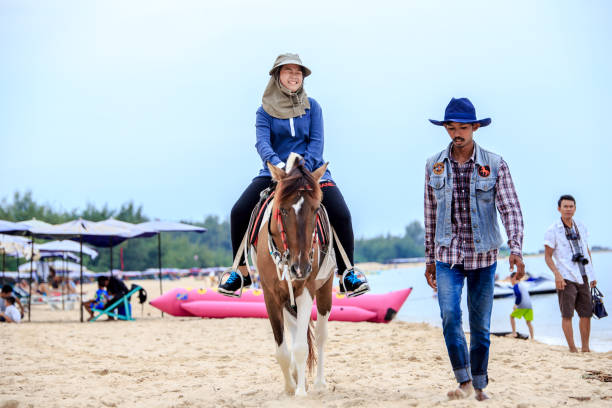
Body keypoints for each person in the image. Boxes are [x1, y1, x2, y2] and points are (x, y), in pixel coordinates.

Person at [218, 53, 369, 297]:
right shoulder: (263, 112)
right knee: (239, 211)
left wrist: (302, 169)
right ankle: (240, 272)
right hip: (275, 173)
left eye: (298, 72)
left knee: (341, 213)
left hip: (311, 172)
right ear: (277, 76)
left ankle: (347, 273)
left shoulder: (313, 107)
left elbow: (317, 143)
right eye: (288, 70)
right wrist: (280, 168)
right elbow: (262, 144)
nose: (294, 75)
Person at [424, 98, 525, 401]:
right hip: (447, 258)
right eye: (451, 127)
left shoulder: (494, 164)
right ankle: (464, 380)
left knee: (480, 326)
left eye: (463, 127)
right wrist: (429, 258)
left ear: (475, 127)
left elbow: (510, 209)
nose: (457, 133)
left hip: (484, 258)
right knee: (450, 317)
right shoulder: (434, 165)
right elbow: (429, 213)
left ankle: (479, 385)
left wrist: (516, 250)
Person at [544, 194, 596, 352]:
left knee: (586, 313)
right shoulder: (552, 230)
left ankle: (585, 348)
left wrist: (592, 274)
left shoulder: (581, 226)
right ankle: (572, 348)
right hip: (565, 277)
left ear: (575, 208)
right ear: (559, 208)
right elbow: (548, 256)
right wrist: (557, 275)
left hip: (583, 275)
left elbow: (586, 250)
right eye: (565, 206)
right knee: (567, 314)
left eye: (571, 206)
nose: (568, 209)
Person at [509, 272, 534, 340]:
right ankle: (532, 338)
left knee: (511, 317)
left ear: (513, 278)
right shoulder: (523, 284)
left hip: (522, 306)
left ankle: (514, 333)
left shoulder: (516, 285)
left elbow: (518, 295)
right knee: (528, 322)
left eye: (510, 279)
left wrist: (516, 305)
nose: (510, 281)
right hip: (530, 306)